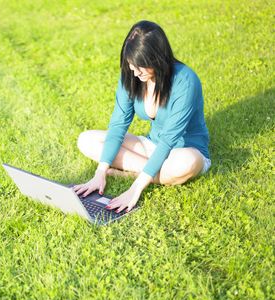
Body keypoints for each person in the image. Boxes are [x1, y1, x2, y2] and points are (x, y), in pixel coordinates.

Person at [73, 20, 211, 213]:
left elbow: (170, 139)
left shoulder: (185, 81)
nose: (135, 71)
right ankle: (152, 172)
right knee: (86, 140)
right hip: (152, 145)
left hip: (182, 150)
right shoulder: (132, 76)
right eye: (131, 63)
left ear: (158, 59)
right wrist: (100, 172)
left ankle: (136, 174)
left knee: (188, 163)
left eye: (142, 65)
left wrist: (135, 188)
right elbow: (118, 126)